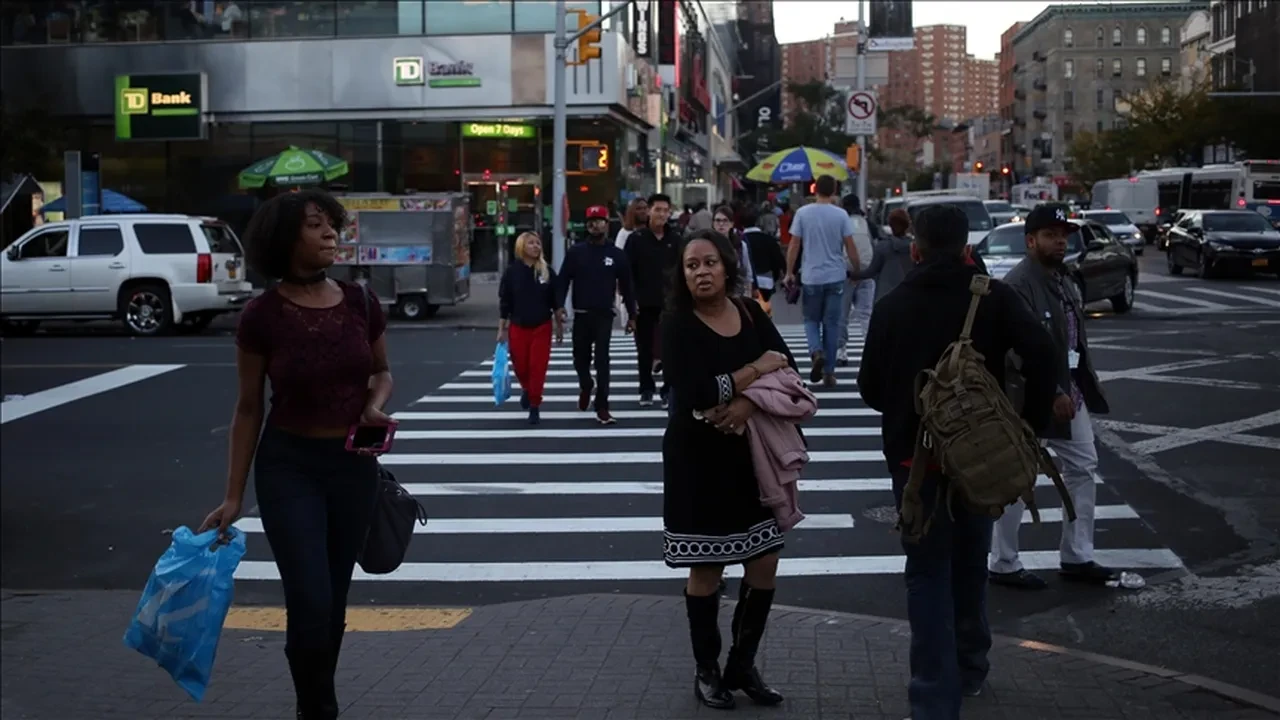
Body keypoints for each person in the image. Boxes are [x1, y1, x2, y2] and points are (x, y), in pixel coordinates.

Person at [856, 204, 1057, 720]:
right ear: (968, 247)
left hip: (914, 461)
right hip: (981, 458)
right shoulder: (992, 298)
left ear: (916, 249)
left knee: (926, 572)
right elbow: (1043, 352)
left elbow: (870, 388)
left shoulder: (893, 305)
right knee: (971, 563)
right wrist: (1028, 421)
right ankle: (971, 668)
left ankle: (932, 695)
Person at [199, 190, 394, 720]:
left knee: (331, 602)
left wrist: (374, 405)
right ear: (286, 238)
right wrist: (234, 496)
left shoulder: (361, 302)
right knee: (309, 598)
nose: (332, 233)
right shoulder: (263, 315)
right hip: (290, 467)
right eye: (316, 225)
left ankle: (317, 701)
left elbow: (381, 371)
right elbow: (246, 409)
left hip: (354, 467)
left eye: (332, 223)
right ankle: (318, 708)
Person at [662, 228, 797, 710]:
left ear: (727, 266)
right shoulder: (676, 322)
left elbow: (789, 363)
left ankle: (743, 664)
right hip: (696, 460)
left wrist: (742, 403)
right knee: (707, 567)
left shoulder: (747, 312)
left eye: (710, 262)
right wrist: (754, 372)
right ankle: (707, 670)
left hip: (750, 458)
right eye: (692, 265)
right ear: (683, 274)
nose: (701, 271)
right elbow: (695, 391)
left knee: (764, 562)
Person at [989, 204, 1117, 589]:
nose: (1060, 241)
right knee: (1019, 478)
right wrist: (1053, 391)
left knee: (1083, 467)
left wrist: (1077, 384)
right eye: (1050, 235)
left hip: (1070, 392)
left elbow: (1073, 340)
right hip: (1032, 397)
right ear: (1031, 241)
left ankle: (1078, 555)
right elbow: (1016, 351)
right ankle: (1004, 561)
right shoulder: (1018, 284)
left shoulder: (1063, 278)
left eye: (1063, 234)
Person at [557, 204, 637, 425]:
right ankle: (586, 385)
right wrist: (559, 306)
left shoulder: (616, 255)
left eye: (600, 221)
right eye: (591, 222)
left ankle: (602, 405)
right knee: (580, 358)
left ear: (607, 223)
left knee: (602, 360)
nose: (595, 225)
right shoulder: (576, 252)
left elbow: (627, 287)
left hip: (604, 315)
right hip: (581, 314)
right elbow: (563, 280)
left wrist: (632, 315)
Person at [783, 175, 860, 388]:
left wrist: (789, 272)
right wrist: (857, 269)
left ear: (815, 189)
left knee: (810, 320)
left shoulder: (803, 213)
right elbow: (850, 246)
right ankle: (829, 373)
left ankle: (815, 351)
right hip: (836, 276)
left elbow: (794, 245)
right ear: (834, 190)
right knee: (832, 324)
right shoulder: (841, 215)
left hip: (811, 276)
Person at [498, 232, 564, 425]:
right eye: (531, 244)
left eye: (537, 243)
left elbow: (556, 300)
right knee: (521, 365)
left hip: (541, 325)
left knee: (538, 366)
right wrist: (501, 328)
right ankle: (526, 388)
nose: (535, 247)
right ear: (521, 248)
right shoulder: (512, 272)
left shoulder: (546, 271)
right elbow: (505, 301)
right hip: (518, 325)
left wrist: (559, 324)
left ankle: (535, 404)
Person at [623, 193, 678, 407]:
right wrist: (630, 303)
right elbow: (627, 274)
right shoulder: (636, 240)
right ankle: (646, 388)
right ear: (649, 212)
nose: (662, 214)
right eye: (658, 210)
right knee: (644, 348)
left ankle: (667, 389)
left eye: (665, 210)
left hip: (670, 303)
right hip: (643, 302)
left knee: (670, 349)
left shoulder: (677, 239)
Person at [837, 193, 876, 366]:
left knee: (842, 314)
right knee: (865, 314)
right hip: (867, 273)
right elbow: (877, 244)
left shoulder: (841, 224)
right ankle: (871, 348)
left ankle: (841, 351)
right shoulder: (869, 224)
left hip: (845, 274)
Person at [855, 207, 916, 303]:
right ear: (907, 225)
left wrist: (851, 274)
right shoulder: (914, 247)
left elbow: (870, 272)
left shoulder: (883, 247)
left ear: (890, 225)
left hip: (885, 296)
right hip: (908, 295)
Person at [741, 206, 786, 303]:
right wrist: (775, 277)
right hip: (766, 281)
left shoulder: (740, 241)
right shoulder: (769, 240)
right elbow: (778, 261)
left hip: (747, 284)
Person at [714, 204, 756, 299]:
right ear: (713, 223)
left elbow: (748, 275)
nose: (721, 224)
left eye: (725, 221)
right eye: (718, 220)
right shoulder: (707, 245)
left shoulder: (740, 246)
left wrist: (747, 298)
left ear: (731, 224)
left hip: (736, 296)